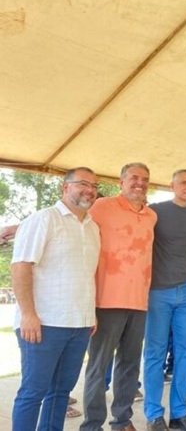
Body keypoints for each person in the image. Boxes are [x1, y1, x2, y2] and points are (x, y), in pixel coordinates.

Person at [10, 167, 100, 431]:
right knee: (33, 392)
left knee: (61, 392)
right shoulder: (43, 219)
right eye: (83, 184)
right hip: (44, 323)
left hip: (80, 324)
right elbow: (21, 267)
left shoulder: (93, 227)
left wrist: (90, 313)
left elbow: (85, 273)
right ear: (65, 187)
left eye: (94, 186)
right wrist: (28, 314)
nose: (89, 190)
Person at [81, 163, 157, 431]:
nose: (140, 183)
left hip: (139, 302)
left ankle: (122, 421)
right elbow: (72, 221)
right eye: (134, 178)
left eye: (145, 179)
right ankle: (92, 425)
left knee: (130, 365)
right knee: (98, 366)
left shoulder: (151, 215)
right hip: (106, 301)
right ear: (121, 181)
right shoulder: (102, 206)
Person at [144, 169, 186, 431]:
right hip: (158, 291)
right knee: (155, 354)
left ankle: (180, 414)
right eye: (183, 183)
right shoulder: (155, 211)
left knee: (185, 354)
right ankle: (154, 415)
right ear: (172, 186)